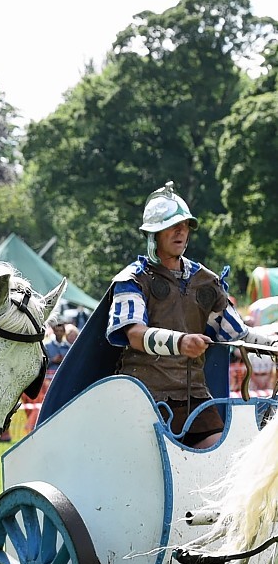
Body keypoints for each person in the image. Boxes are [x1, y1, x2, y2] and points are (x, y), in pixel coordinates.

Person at [105, 181, 276, 448]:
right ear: (154, 233)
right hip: (142, 395)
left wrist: (272, 345)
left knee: (219, 455)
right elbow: (134, 334)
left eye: (185, 226)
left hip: (195, 396)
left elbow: (238, 333)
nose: (181, 232)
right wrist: (181, 342)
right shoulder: (133, 279)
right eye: (172, 226)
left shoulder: (205, 281)